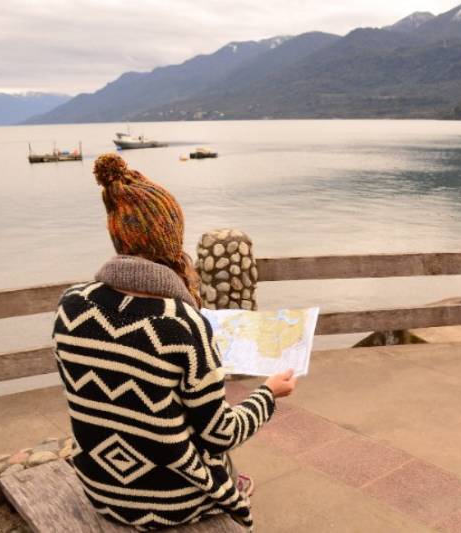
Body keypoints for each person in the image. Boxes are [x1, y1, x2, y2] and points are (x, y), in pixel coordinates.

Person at [52, 153, 296, 531]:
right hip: (170, 503)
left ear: (117, 236)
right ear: (172, 238)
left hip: (101, 489)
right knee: (217, 457)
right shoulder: (181, 324)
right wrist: (268, 393)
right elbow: (220, 435)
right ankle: (229, 490)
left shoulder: (71, 305)